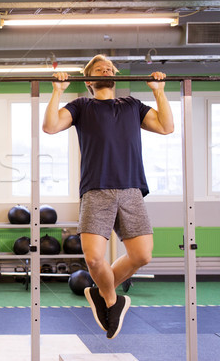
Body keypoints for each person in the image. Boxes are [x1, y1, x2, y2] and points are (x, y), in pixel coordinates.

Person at [42, 54, 173, 339]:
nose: (106, 69)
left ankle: (101, 293)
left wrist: (159, 92)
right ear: (89, 80)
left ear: (114, 75)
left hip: (131, 187)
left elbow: (166, 127)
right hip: (96, 188)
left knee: (142, 255)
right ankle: (112, 299)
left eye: (109, 68)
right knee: (93, 259)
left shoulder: (132, 106)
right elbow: (50, 126)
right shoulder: (81, 107)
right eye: (98, 69)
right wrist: (56, 92)